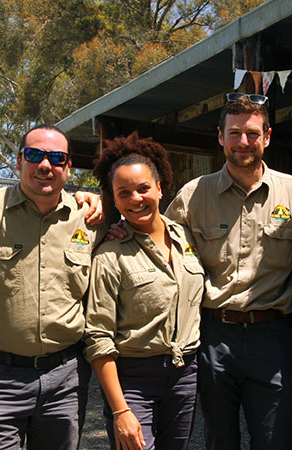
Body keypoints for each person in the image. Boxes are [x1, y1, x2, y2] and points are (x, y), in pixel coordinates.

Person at [164, 94, 292, 449]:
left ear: (268, 136)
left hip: (274, 335)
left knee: (276, 439)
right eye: (234, 133)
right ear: (220, 137)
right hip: (215, 335)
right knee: (219, 438)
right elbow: (159, 249)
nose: (243, 142)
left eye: (251, 133)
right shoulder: (192, 195)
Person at [0, 124, 105, 450]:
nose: (45, 165)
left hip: (66, 380)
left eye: (57, 158)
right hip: (0, 377)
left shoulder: (89, 217)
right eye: (35, 155)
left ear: (68, 167)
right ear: (18, 162)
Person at [86, 133, 204, 450]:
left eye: (143, 188)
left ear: (160, 187)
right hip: (134, 379)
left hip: (184, 374)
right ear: (113, 198)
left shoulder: (187, 236)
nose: (136, 199)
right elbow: (98, 337)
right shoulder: (110, 255)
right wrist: (120, 410)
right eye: (123, 193)